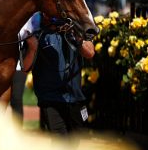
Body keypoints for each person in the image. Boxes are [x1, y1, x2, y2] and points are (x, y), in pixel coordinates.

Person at [23, 12, 95, 145]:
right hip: (50, 99)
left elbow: (90, 53)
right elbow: (25, 68)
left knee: (75, 142)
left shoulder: (76, 28)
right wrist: (33, 48)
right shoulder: (36, 32)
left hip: (75, 97)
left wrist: (77, 38)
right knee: (59, 141)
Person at [10, 13, 41, 126]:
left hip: (18, 64)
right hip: (0, 64)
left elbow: (31, 40)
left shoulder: (27, 18)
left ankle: (17, 132)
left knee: (16, 98)